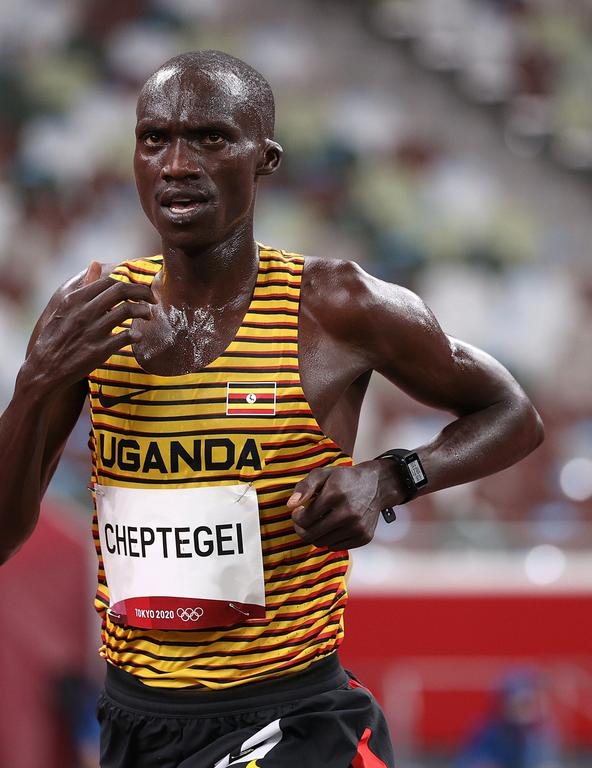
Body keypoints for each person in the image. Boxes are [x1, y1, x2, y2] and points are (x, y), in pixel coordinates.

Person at [0, 50, 543, 768]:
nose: (177, 164)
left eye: (211, 138)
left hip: (289, 718)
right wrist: (36, 381)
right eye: (154, 138)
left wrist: (389, 478)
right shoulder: (94, 316)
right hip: (136, 720)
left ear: (267, 158)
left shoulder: (335, 307)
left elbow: (513, 413)